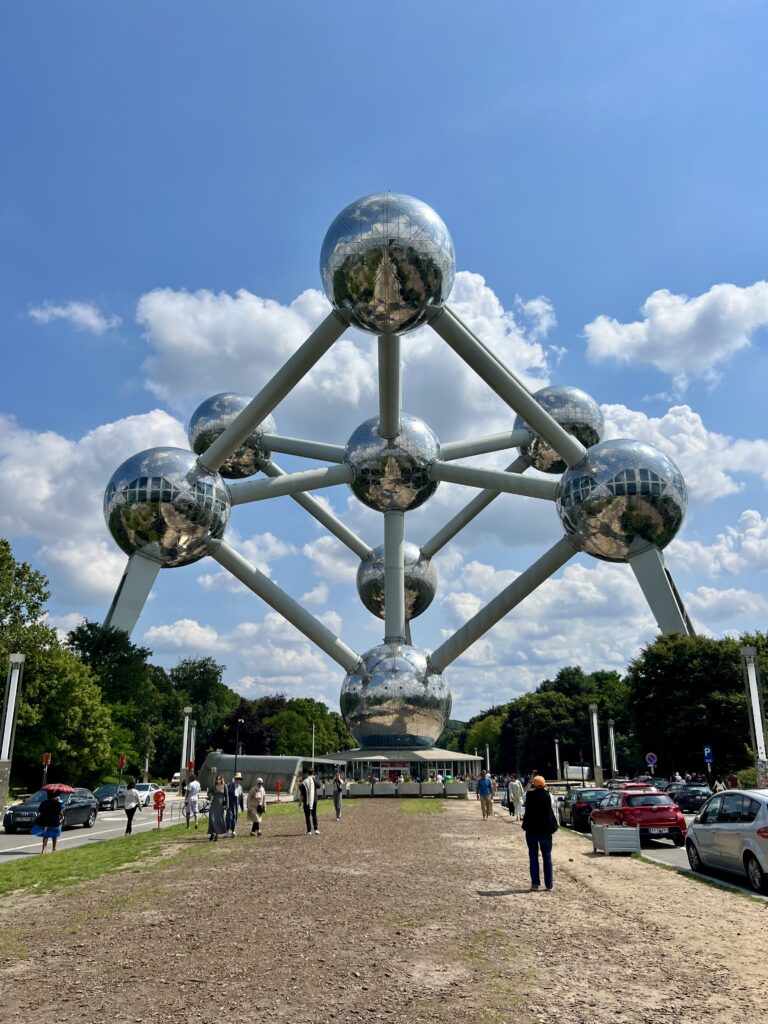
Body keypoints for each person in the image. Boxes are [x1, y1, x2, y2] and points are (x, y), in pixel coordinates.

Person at [521, 775, 558, 891]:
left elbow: (524, 801)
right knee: (547, 857)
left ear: (533, 785)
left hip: (531, 830)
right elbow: (552, 807)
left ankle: (535, 883)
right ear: (545, 785)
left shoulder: (528, 795)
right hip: (546, 830)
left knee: (533, 856)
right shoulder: (549, 796)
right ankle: (549, 884)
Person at [208, 774, 229, 842]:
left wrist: (226, 805)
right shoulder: (213, 786)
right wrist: (210, 797)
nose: (218, 780)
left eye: (219, 779)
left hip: (220, 806)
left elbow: (227, 796)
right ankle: (212, 833)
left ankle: (216, 835)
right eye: (217, 779)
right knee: (212, 819)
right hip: (213, 805)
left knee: (218, 820)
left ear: (222, 779)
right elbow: (209, 793)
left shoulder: (224, 786)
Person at [299, 768, 319, 835]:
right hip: (314, 800)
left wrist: (300, 802)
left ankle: (309, 831)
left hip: (306, 801)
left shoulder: (304, 782)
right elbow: (319, 785)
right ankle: (316, 829)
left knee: (307, 815)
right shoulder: (314, 780)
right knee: (314, 814)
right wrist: (314, 778)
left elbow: (302, 794)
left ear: (307, 773)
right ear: (313, 773)